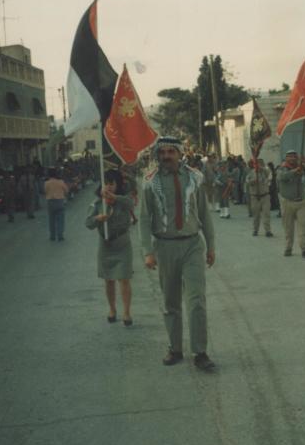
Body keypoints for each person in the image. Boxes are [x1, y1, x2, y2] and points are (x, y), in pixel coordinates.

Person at [139, 136, 216, 371]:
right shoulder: (150, 181)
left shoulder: (194, 177)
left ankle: (200, 352)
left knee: (196, 301)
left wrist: (211, 246)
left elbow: (204, 213)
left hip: (193, 244)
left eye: (171, 152)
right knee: (170, 301)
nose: (166, 157)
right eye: (162, 153)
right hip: (165, 246)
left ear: (180, 153)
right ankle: (175, 348)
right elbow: (144, 218)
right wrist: (147, 251)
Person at [86, 170, 135, 325]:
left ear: (117, 185)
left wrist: (115, 198)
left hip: (122, 243)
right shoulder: (97, 203)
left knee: (124, 278)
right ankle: (112, 309)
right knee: (108, 280)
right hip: (106, 244)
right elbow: (88, 223)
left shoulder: (124, 199)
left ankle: (126, 312)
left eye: (112, 183)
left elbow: (131, 204)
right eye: (106, 183)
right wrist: (97, 218)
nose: (108, 187)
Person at [277, 150, 305, 257]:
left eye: (294, 156)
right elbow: (282, 177)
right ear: (286, 158)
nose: (292, 158)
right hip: (287, 202)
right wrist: (294, 171)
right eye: (290, 157)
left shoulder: (301, 166)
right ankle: (288, 248)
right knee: (288, 228)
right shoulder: (282, 168)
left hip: (301, 202)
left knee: (303, 226)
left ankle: (304, 249)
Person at [246, 158, 273, 237]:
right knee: (256, 215)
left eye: (260, 164)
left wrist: (261, 169)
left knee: (266, 214)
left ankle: (268, 230)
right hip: (255, 197)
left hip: (265, 196)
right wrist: (253, 181)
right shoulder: (251, 173)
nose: (258, 166)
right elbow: (247, 181)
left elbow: (270, 176)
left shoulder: (265, 172)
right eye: (256, 164)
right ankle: (255, 230)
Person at [44, 168, 68, 241]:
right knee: (60, 219)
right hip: (59, 201)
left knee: (51, 220)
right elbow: (66, 190)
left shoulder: (46, 183)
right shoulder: (61, 182)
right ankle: (60, 235)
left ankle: (52, 236)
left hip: (50, 202)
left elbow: (45, 191)